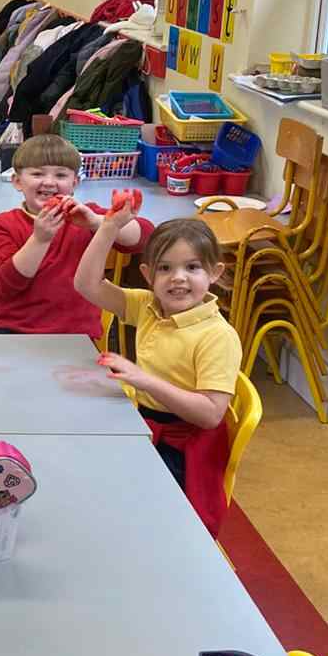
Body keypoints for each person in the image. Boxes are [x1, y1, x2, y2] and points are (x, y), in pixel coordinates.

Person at [75, 213, 243, 537]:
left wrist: (143, 379)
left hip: (185, 444)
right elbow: (86, 284)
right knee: (88, 463)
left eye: (192, 267)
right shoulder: (149, 306)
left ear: (214, 272)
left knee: (136, 512)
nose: (178, 278)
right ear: (147, 274)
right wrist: (108, 227)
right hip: (146, 423)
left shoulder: (217, 336)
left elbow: (211, 414)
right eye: (165, 268)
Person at [0, 135, 151, 337]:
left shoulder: (86, 215)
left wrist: (99, 222)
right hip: (14, 329)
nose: (49, 182)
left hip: (76, 332)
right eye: (37, 174)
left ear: (75, 182)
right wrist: (39, 239)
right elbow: (6, 285)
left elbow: (145, 237)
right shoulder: (3, 224)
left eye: (61, 175)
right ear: (18, 181)